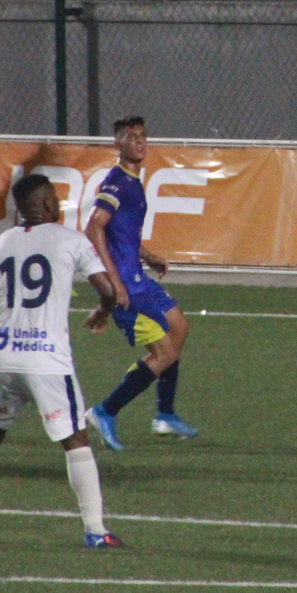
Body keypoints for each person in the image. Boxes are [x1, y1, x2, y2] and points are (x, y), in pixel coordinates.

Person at [0, 173, 123, 549]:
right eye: (55, 198)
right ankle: (95, 530)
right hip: (47, 363)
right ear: (47, 205)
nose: (58, 204)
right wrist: (103, 311)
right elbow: (108, 289)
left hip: (4, 360)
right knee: (76, 440)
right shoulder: (72, 241)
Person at [84, 115, 200, 450]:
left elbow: (122, 233)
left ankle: (165, 415)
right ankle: (105, 411)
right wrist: (114, 282)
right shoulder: (118, 182)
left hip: (138, 277)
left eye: (142, 135)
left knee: (179, 327)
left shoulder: (134, 182)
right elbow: (94, 228)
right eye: (130, 136)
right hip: (126, 286)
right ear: (116, 144)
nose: (138, 140)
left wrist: (146, 255)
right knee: (163, 353)